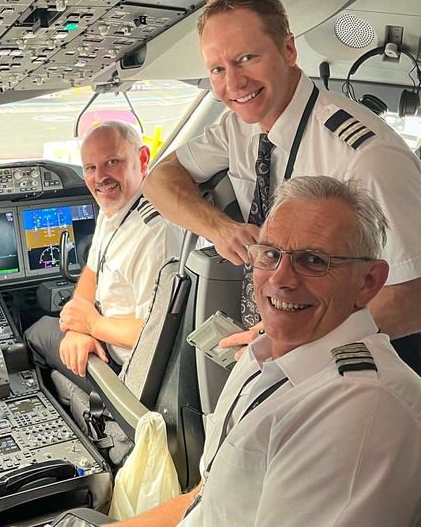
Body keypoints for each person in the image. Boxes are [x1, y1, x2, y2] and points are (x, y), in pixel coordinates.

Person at [111, 176, 421, 526]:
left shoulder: (363, 411)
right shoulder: (264, 356)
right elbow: (209, 499)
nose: (280, 278)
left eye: (313, 261)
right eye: (271, 254)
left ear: (368, 283)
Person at [143, 0, 421, 370]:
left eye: (247, 58)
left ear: (289, 51)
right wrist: (219, 229)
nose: (233, 83)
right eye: (218, 69)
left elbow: (411, 297)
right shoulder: (237, 128)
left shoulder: (364, 158)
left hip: (365, 360)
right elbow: (159, 180)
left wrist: (299, 339)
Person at [25, 121, 183, 393]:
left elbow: (155, 333)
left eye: (112, 162)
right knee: (58, 333)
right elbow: (92, 271)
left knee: (35, 332)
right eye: (90, 168)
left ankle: (102, 420)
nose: (100, 177)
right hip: (103, 338)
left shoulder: (154, 234)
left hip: (130, 371)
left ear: (142, 159)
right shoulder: (115, 208)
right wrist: (77, 328)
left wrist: (93, 325)